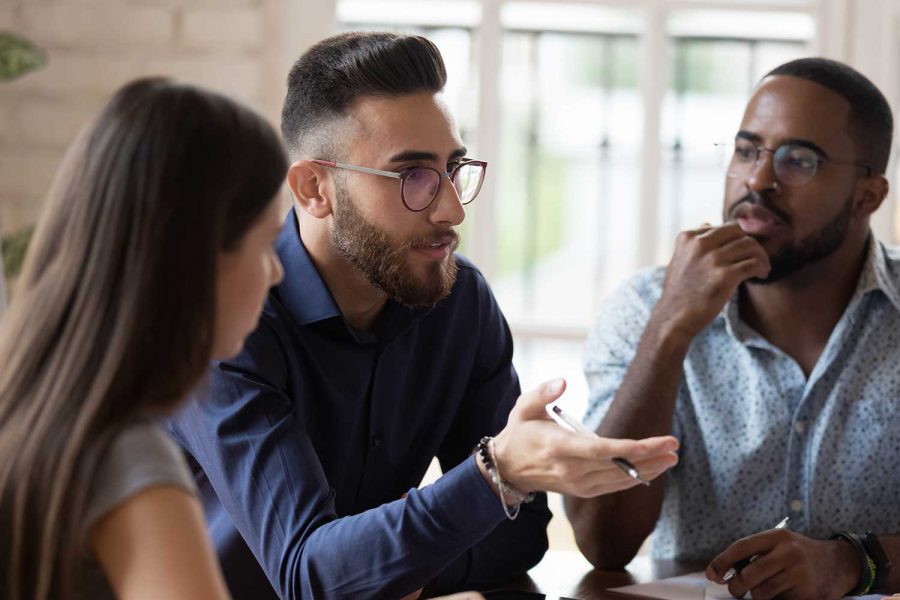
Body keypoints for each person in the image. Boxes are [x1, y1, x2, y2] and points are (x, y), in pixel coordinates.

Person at [168, 31, 679, 600]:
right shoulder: (229, 321)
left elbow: (520, 537)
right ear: (315, 188)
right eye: (412, 175)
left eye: (452, 168)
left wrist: (384, 571)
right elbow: (307, 574)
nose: (451, 208)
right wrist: (494, 476)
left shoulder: (459, 302)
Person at [566, 57, 900, 600]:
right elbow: (603, 542)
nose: (757, 179)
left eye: (799, 160)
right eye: (747, 151)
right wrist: (671, 328)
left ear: (868, 196)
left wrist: (847, 563)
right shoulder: (645, 307)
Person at [0, 77, 288, 600]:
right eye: (267, 244)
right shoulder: (127, 458)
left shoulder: (24, 409)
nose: (277, 274)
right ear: (197, 261)